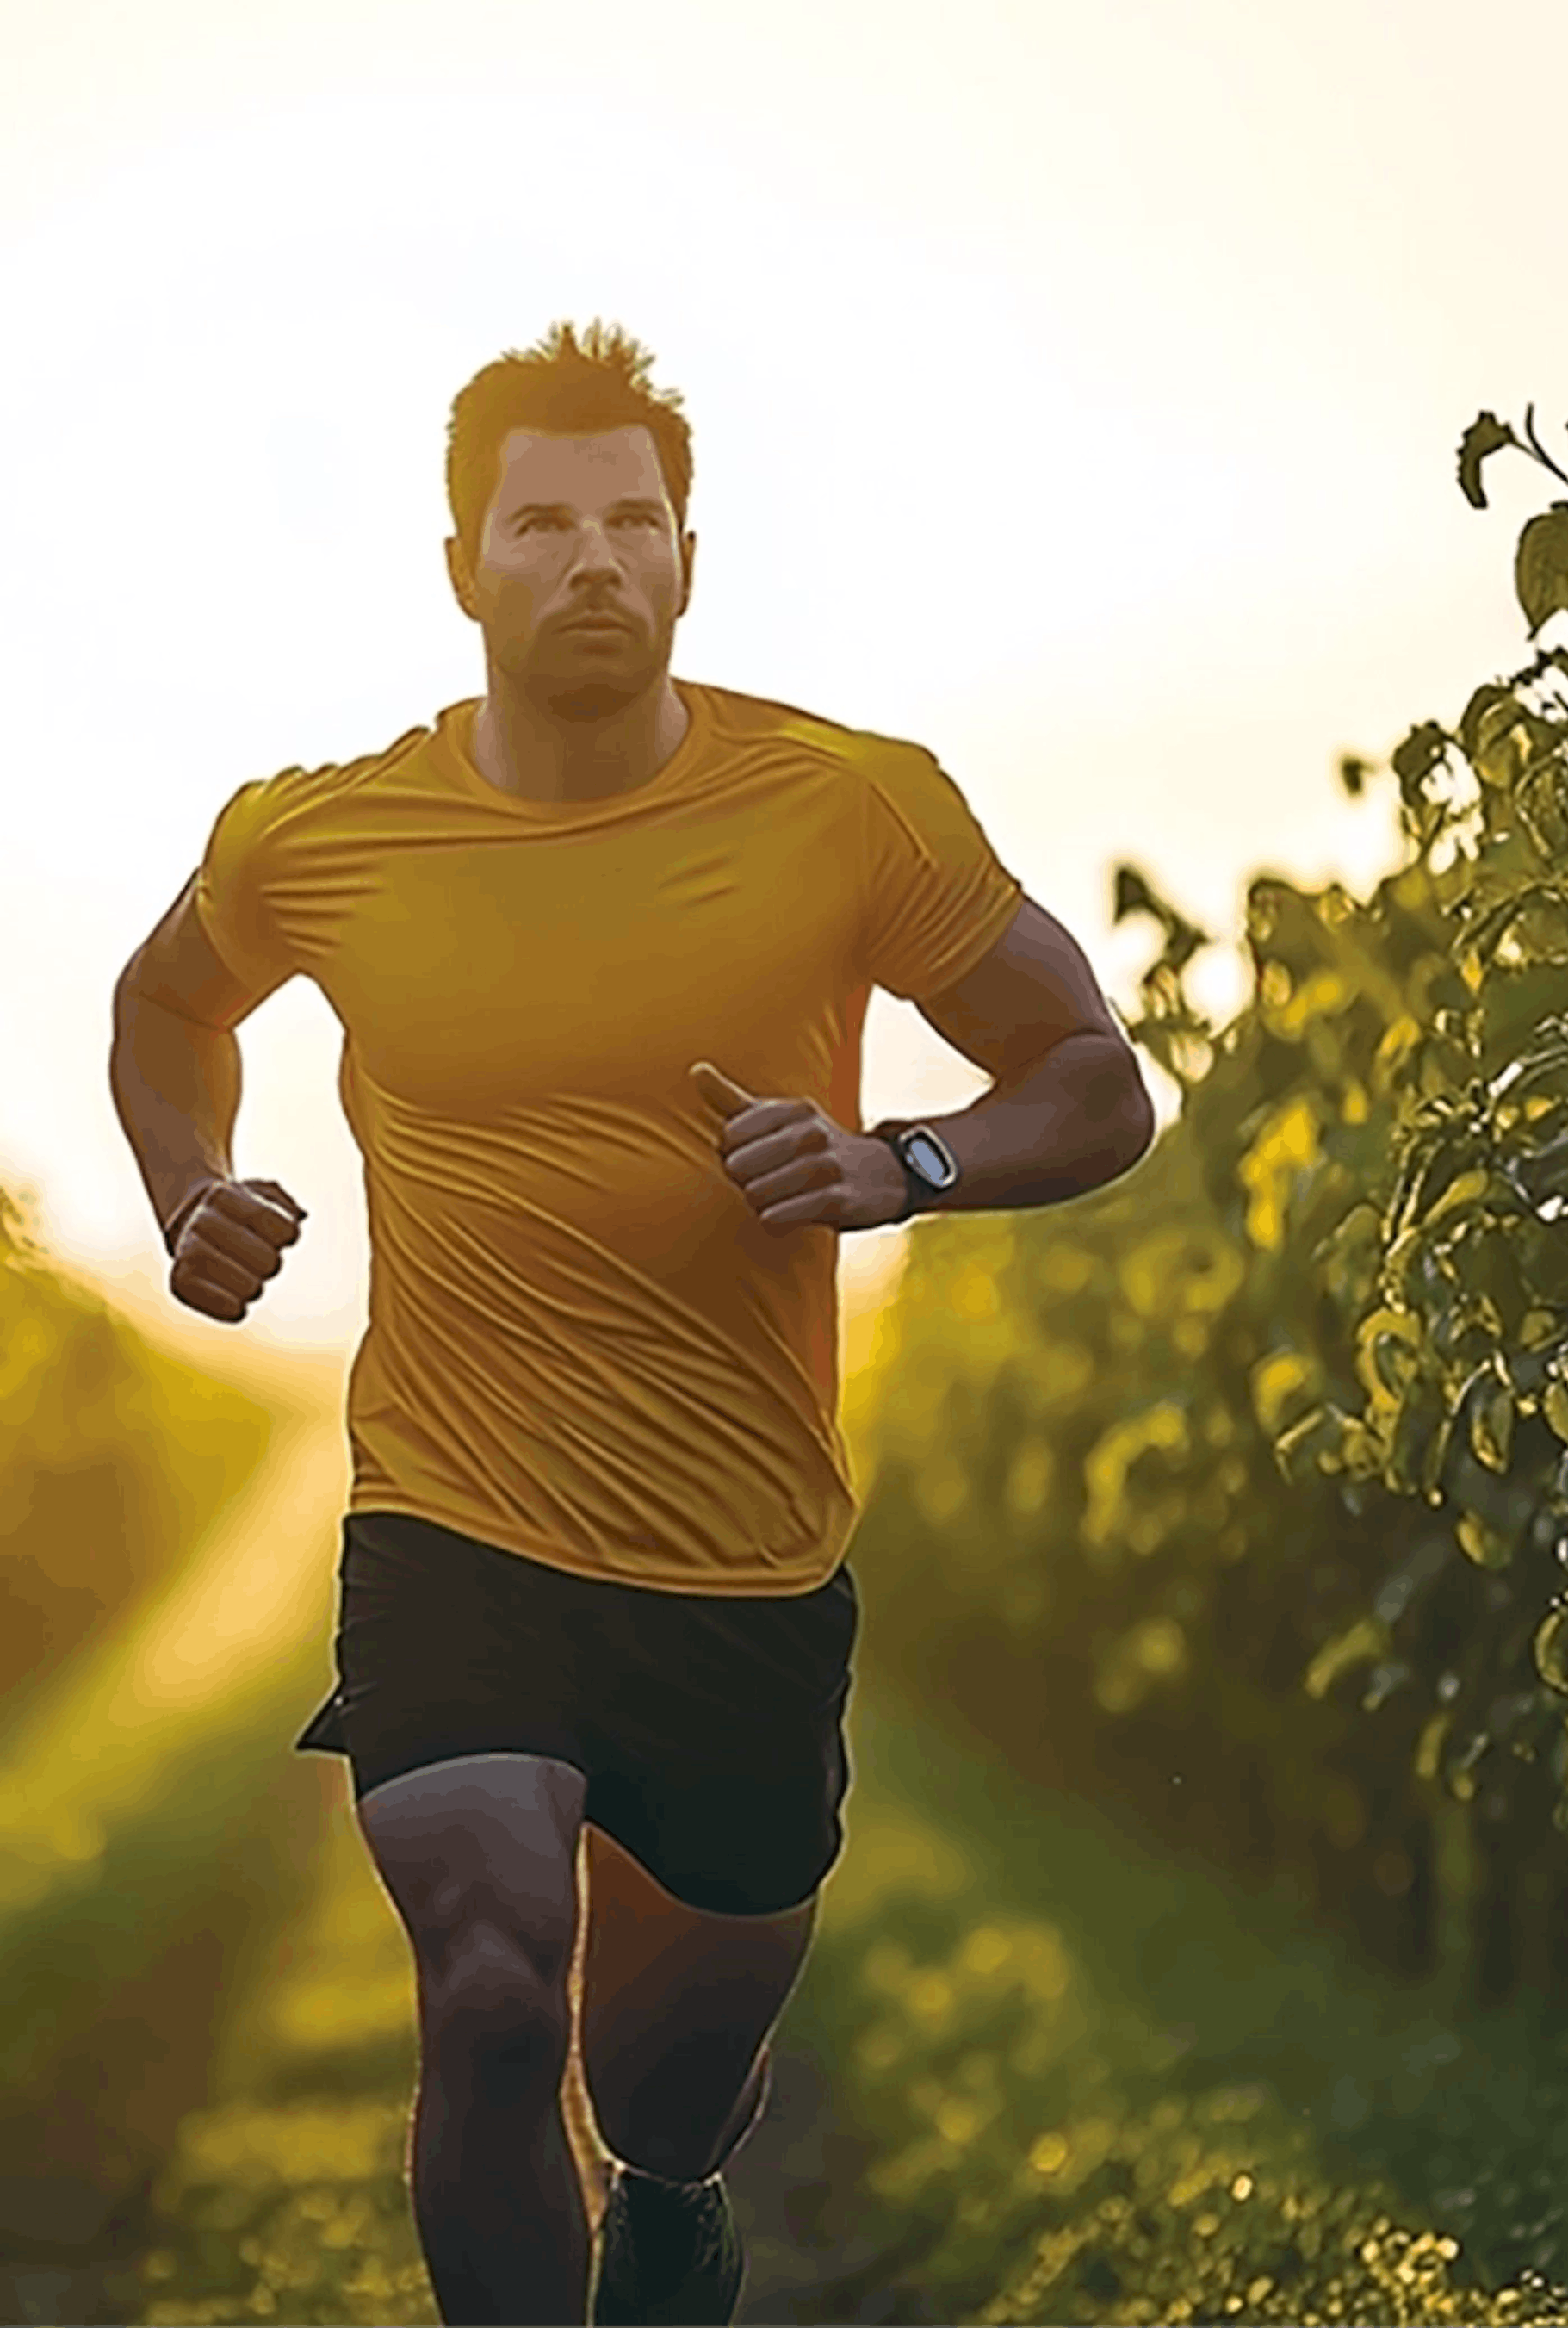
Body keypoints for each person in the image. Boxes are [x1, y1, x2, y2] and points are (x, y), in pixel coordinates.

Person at [108, 317, 1156, 2327]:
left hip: (745, 1560)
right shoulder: (318, 836)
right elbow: (166, 1010)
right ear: (464, 565)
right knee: (496, 1990)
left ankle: (673, 2195)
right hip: (452, 1522)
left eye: (631, 521)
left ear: (687, 559)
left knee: (662, 2086)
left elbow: (1094, 1077)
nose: (592, 557)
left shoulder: (850, 808)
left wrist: (907, 1162)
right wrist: (187, 1186)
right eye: (543, 522)